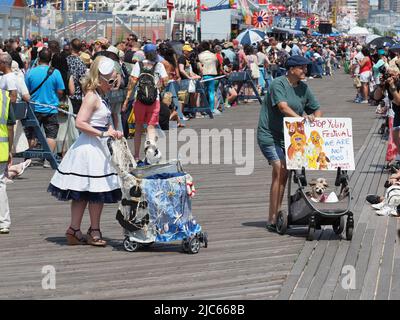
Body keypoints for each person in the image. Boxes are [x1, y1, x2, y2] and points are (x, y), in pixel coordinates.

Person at [48, 57, 123, 247]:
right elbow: (80, 122)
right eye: (112, 82)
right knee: (89, 191)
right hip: (89, 148)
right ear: (100, 80)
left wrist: (111, 131)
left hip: (96, 147)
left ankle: (82, 229)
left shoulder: (98, 95)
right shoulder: (92, 96)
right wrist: (104, 132)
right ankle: (84, 230)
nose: (114, 85)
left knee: (89, 192)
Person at [257, 56, 322, 232]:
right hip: (270, 134)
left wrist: (315, 119)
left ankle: (280, 213)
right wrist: (302, 119)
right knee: (279, 168)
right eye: (301, 67)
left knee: (285, 173)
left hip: (292, 136)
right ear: (292, 69)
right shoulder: (278, 83)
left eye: (305, 67)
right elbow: (283, 107)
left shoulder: (304, 88)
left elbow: (316, 108)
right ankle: (272, 217)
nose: (305, 70)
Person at [123, 44, 169, 161]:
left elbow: (132, 82)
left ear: (144, 53)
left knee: (138, 127)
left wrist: (127, 99)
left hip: (140, 100)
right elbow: (165, 81)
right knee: (151, 127)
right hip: (154, 100)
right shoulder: (159, 65)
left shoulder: (138, 65)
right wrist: (158, 89)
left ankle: (137, 156)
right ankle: (150, 152)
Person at [25, 48, 65, 168]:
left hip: (34, 108)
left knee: (31, 134)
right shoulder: (55, 72)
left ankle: (28, 158)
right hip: (51, 108)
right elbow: (60, 91)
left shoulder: (30, 72)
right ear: (50, 59)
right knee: (51, 135)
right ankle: (48, 160)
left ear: (38, 57)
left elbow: (26, 91)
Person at [0, 89, 15, 234]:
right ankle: (3, 222)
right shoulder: (4, 97)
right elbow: (10, 127)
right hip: (1, 148)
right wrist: (10, 149)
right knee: (0, 185)